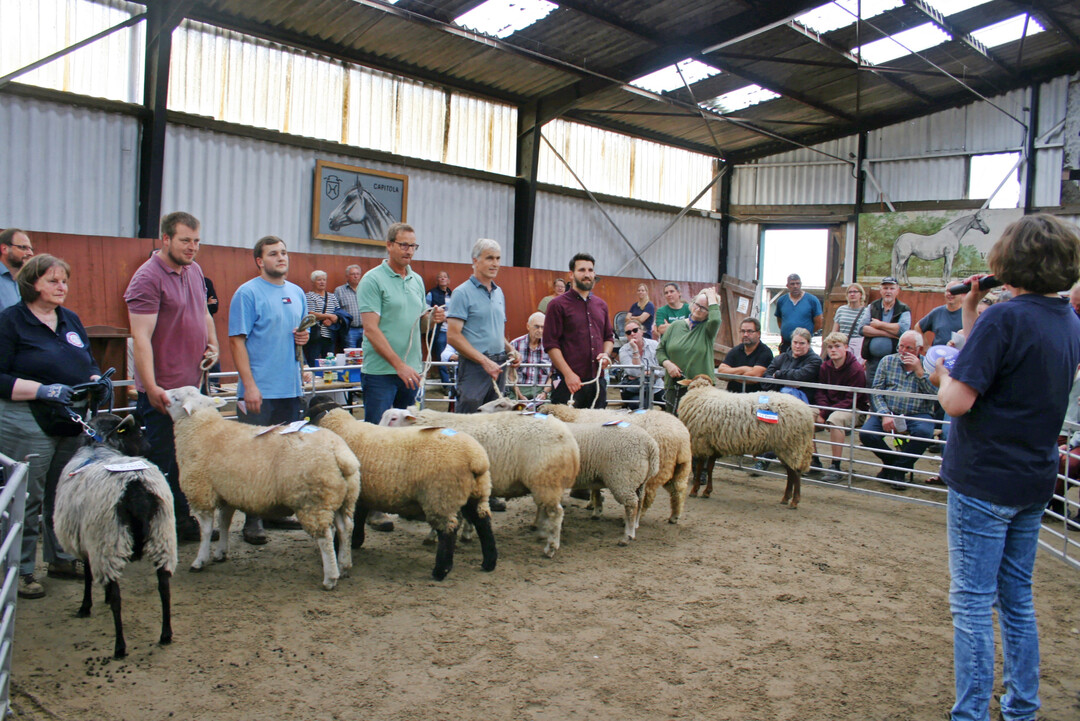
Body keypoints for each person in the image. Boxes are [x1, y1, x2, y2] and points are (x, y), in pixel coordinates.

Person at [934, 214, 1080, 721]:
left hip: (983, 479)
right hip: (1032, 479)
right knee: (1015, 599)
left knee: (971, 603)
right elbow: (998, 363)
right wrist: (972, 312)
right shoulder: (1065, 319)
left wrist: (940, 374)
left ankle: (970, 714)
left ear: (1008, 261)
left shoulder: (1006, 317)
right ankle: (1021, 708)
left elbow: (957, 400)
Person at [0, 254, 105, 598]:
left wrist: (95, 379)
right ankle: (20, 570)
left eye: (64, 281)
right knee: (27, 495)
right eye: (53, 281)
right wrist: (41, 389)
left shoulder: (69, 319)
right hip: (28, 414)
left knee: (62, 493)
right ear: (32, 284)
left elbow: (86, 360)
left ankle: (61, 557)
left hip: (69, 415)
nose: (62, 287)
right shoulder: (11, 323)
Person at [124, 211, 219, 543]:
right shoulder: (147, 278)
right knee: (161, 458)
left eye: (196, 241)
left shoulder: (194, 270)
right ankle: (160, 524)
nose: (193, 247)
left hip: (192, 387)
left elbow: (204, 313)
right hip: (165, 392)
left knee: (186, 457)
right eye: (185, 241)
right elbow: (141, 339)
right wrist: (151, 388)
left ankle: (180, 517)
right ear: (165, 239)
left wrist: (213, 343)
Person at [228, 235, 310, 545]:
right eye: (273, 254)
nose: (281, 257)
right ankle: (252, 519)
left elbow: (299, 333)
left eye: (284, 252)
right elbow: (237, 340)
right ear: (260, 261)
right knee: (255, 457)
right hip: (260, 389)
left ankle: (276, 511)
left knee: (284, 453)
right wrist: (249, 385)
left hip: (289, 387)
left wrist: (302, 340)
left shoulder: (297, 293)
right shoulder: (247, 294)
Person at [359, 222, 445, 426]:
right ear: (389, 245)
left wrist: (432, 320)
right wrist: (399, 366)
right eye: (404, 245)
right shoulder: (372, 280)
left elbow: (421, 326)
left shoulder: (417, 280)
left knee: (406, 435)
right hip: (381, 373)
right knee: (377, 436)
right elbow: (371, 330)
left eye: (413, 246)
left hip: (411, 371)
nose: (409, 251)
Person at [858, 330, 936, 489]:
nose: (904, 351)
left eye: (909, 348)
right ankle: (894, 465)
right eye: (901, 347)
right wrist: (885, 414)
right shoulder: (887, 361)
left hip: (917, 413)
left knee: (925, 433)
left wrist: (919, 372)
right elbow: (877, 391)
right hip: (889, 410)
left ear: (919, 350)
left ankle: (897, 470)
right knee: (867, 434)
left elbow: (934, 394)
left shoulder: (929, 365)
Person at [446, 239, 517, 414]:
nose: (495, 264)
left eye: (498, 258)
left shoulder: (499, 292)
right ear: (475, 261)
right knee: (470, 416)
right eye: (490, 258)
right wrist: (484, 361)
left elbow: (494, 331)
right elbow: (453, 336)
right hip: (474, 367)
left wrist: (510, 349)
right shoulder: (461, 293)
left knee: (495, 421)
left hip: (498, 364)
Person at [543, 253, 614, 408]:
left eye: (590, 270)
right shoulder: (557, 305)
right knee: (565, 431)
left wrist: (606, 354)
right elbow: (550, 344)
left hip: (597, 382)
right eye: (582, 270)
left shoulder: (601, 305)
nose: (587, 274)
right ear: (571, 274)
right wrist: (568, 375)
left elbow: (608, 337)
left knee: (597, 430)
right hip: (568, 384)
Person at [813, 332, 868, 483]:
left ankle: (835, 465)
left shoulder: (856, 369)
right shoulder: (825, 366)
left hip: (854, 409)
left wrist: (826, 413)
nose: (833, 350)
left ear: (846, 347)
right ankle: (813, 459)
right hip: (830, 406)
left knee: (836, 419)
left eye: (837, 346)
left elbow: (852, 399)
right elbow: (821, 391)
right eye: (830, 347)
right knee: (806, 414)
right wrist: (823, 411)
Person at [655, 287, 721, 414]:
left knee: (699, 426)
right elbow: (660, 350)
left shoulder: (708, 329)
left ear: (709, 311)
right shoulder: (675, 326)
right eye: (697, 305)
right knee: (674, 425)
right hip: (674, 387)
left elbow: (716, 319)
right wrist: (668, 364)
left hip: (700, 388)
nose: (698, 309)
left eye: (704, 308)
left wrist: (711, 295)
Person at [859, 276, 911, 383]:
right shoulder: (872, 306)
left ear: (898, 291)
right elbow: (862, 329)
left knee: (890, 388)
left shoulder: (903, 309)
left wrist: (879, 324)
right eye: (885, 288)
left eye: (892, 288)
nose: (888, 291)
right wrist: (890, 333)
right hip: (873, 361)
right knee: (871, 389)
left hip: (894, 361)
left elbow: (903, 331)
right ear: (881, 290)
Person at [717, 317, 774, 394]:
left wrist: (731, 376)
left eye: (750, 331)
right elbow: (721, 372)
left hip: (755, 398)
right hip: (733, 396)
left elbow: (754, 377)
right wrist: (744, 369)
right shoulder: (736, 350)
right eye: (743, 331)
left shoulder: (765, 352)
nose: (745, 334)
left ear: (758, 334)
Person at [618, 318, 664, 409]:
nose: (632, 334)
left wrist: (649, 374)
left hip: (656, 387)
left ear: (642, 331)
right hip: (635, 388)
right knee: (637, 407)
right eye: (628, 332)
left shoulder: (654, 345)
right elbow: (634, 373)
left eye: (635, 330)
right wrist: (635, 349)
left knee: (672, 404)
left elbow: (663, 368)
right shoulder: (623, 350)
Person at [774, 273, 823, 353]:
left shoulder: (812, 300)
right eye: (792, 284)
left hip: (803, 345)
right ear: (787, 285)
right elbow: (780, 321)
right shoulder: (781, 301)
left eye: (798, 283)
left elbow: (819, 323)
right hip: (786, 344)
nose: (795, 286)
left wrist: (805, 334)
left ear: (801, 284)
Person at [509, 312, 551, 402]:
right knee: (516, 411)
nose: (540, 330)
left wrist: (544, 393)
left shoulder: (550, 346)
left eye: (543, 327)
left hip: (542, 390)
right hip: (519, 390)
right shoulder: (514, 344)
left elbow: (553, 375)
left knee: (546, 413)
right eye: (536, 326)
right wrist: (520, 396)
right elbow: (510, 375)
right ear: (528, 326)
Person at [303, 270, 340, 368]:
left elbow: (338, 312)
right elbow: (310, 314)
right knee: (313, 360)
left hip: (330, 334)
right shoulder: (309, 296)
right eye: (319, 280)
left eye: (324, 280)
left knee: (330, 362)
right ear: (313, 282)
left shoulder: (332, 296)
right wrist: (329, 316)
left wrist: (333, 319)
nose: (322, 282)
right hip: (316, 335)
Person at [426, 271, 453, 390]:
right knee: (443, 357)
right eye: (440, 277)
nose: (442, 279)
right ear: (437, 281)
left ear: (448, 280)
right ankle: (446, 386)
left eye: (445, 277)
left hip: (453, 331)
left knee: (454, 358)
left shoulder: (454, 294)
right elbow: (427, 311)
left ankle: (455, 385)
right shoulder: (431, 294)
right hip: (440, 331)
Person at [830, 282, 868, 357]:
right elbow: (835, 330)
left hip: (858, 345)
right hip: (842, 344)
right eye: (850, 292)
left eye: (855, 292)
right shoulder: (841, 309)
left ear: (861, 294)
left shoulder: (866, 312)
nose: (852, 294)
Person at [0, 228, 33, 309]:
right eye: (23, 247)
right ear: (4, 249)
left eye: (31, 249)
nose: (30, 253)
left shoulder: (28, 281)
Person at [333, 264, 364, 350]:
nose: (356, 276)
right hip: (349, 330)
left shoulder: (366, 289)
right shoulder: (339, 290)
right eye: (353, 274)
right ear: (347, 276)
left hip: (366, 329)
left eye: (358, 274)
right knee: (351, 357)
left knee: (366, 355)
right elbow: (335, 310)